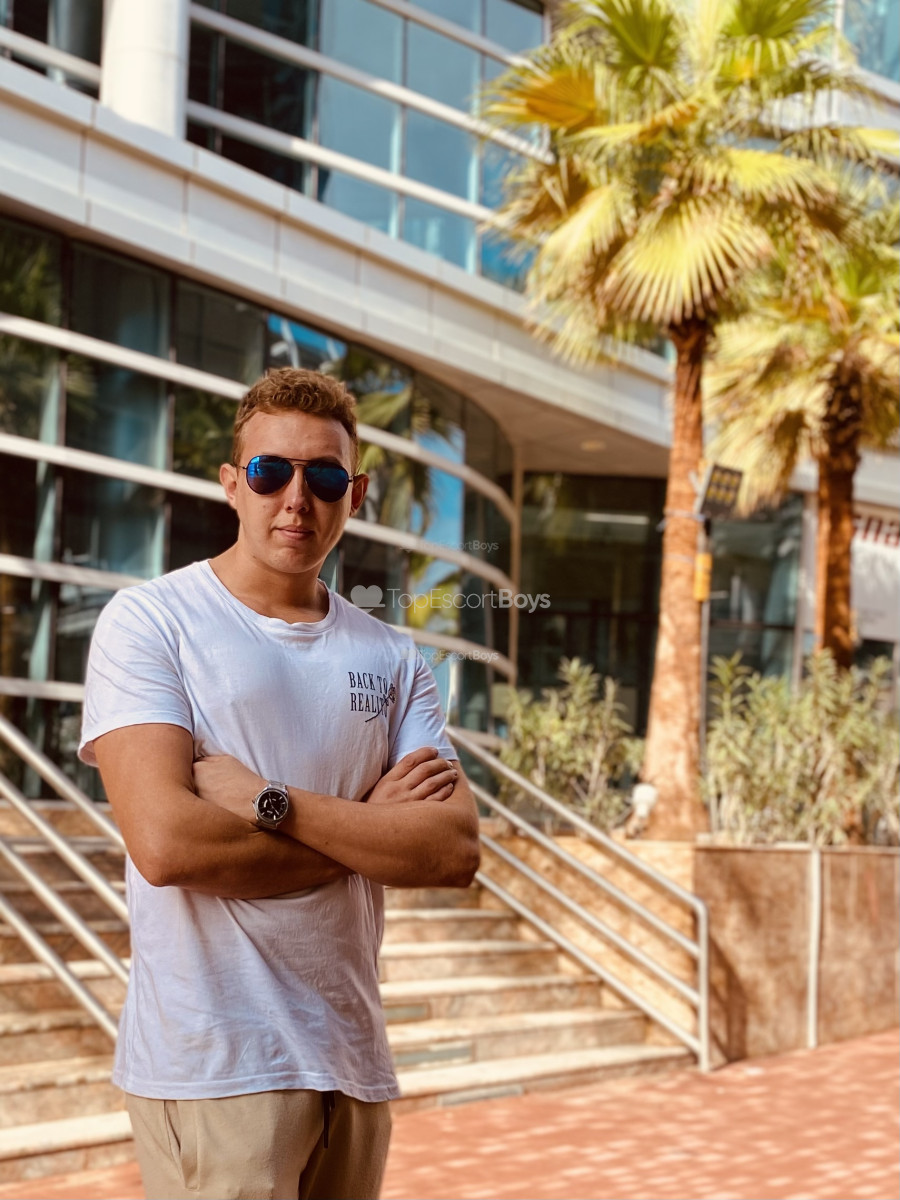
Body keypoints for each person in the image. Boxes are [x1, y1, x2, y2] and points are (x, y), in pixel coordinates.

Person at [78, 367, 481, 1200]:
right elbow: (168, 844)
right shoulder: (152, 623)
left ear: (355, 494)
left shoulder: (393, 656)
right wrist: (368, 833)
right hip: (217, 1065)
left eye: (325, 477)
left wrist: (274, 804)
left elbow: (451, 849)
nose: (297, 498)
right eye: (271, 472)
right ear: (233, 484)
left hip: (352, 1063)